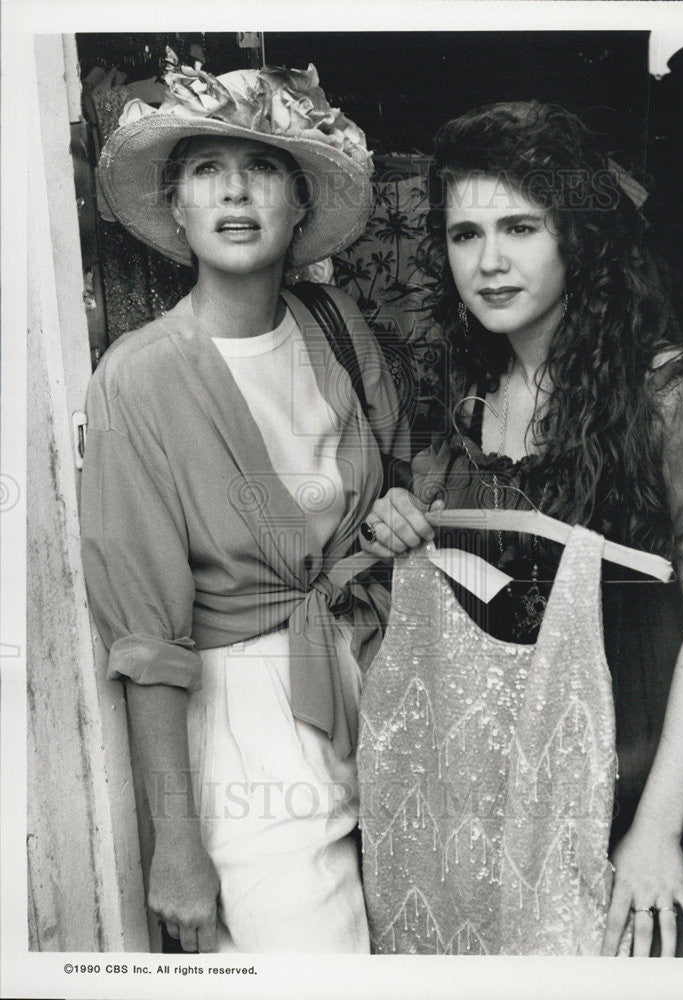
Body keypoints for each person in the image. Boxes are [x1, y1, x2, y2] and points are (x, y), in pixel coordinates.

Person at [358, 101, 683, 957]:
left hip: (651, 777)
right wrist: (404, 527)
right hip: (520, 790)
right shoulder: (463, 396)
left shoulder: (672, 393)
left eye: (520, 227)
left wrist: (658, 832)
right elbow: (495, 603)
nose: (488, 263)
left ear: (576, 237)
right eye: (464, 235)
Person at [80, 62, 409, 954]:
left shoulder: (334, 327)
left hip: (372, 697)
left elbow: (401, 476)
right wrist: (177, 845)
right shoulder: (139, 380)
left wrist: (400, 516)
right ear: (176, 207)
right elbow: (145, 644)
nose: (234, 189)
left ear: (300, 206)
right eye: (205, 169)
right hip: (248, 747)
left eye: (262, 167)